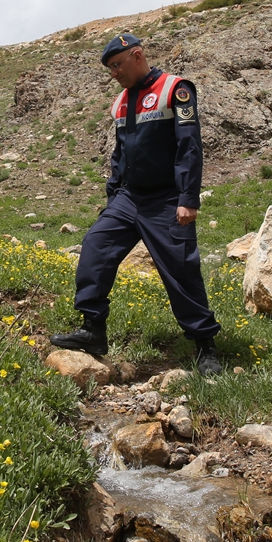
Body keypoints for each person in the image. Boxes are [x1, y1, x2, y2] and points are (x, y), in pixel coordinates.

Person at [50, 33, 223, 375]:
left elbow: (189, 147)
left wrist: (188, 199)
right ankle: (93, 330)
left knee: (180, 269)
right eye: (109, 68)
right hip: (129, 198)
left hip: (167, 198)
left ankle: (206, 345)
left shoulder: (176, 89)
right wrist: (114, 195)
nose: (113, 73)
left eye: (117, 65)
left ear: (138, 56)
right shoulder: (120, 103)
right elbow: (120, 153)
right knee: (95, 246)